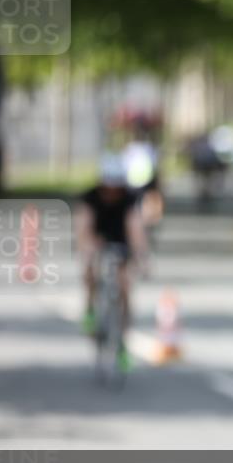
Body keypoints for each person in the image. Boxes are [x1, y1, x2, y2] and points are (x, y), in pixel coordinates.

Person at [75, 154, 149, 372]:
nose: (113, 191)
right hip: (98, 238)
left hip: (120, 240)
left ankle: (123, 341)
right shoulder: (90, 197)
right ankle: (90, 309)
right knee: (90, 269)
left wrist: (142, 255)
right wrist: (86, 247)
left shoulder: (129, 198)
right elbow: (83, 227)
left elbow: (135, 228)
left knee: (124, 285)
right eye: (109, 186)